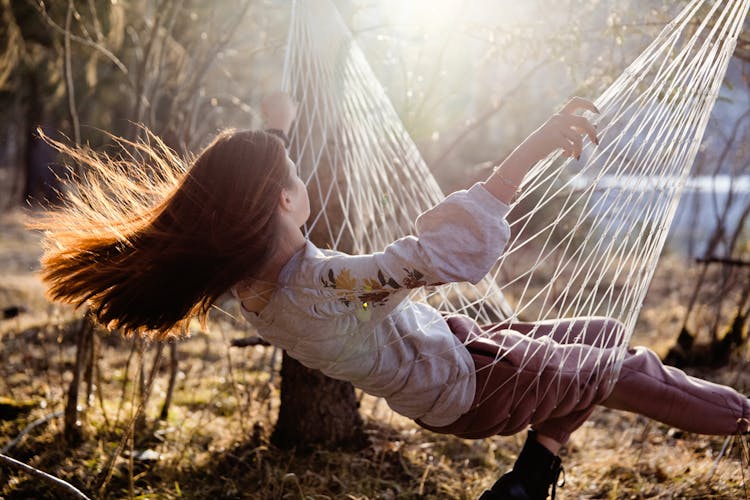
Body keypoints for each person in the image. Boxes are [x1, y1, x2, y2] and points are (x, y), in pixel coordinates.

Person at [35, 93, 750, 500]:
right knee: (625, 370)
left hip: (458, 364)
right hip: (475, 384)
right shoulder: (329, 287)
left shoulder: (248, 280)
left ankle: (532, 477)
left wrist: (276, 125)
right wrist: (530, 148)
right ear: (283, 200)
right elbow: (447, 253)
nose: (304, 177)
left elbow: (245, 197)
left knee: (596, 333)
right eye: (294, 170)